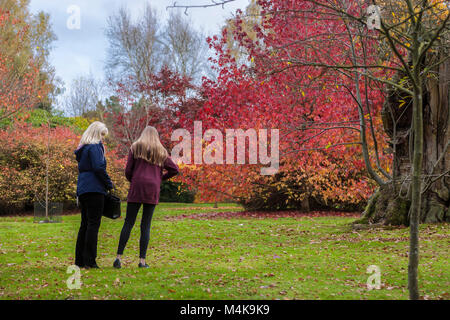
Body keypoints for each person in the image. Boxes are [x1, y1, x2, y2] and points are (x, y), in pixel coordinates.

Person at [114, 126, 179, 269]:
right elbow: (175, 170)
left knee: (128, 223)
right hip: (152, 189)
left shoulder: (135, 147)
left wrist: (134, 180)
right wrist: (159, 178)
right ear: (156, 136)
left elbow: (128, 170)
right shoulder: (161, 151)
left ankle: (118, 258)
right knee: (146, 225)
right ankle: (142, 261)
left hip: (137, 186)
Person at [74, 121, 114, 269]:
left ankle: (79, 260)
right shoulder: (95, 147)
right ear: (97, 134)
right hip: (95, 189)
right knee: (93, 225)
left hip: (83, 188)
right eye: (102, 135)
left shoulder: (83, 149)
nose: (103, 139)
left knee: (84, 225)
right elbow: (98, 167)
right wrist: (109, 183)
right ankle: (90, 260)